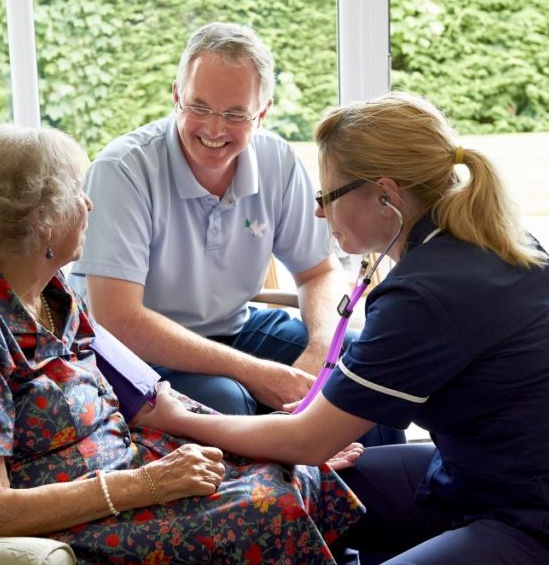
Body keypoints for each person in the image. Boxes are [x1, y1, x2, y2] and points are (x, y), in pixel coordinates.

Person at [151, 90, 549, 564]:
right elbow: (319, 438)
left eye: (328, 195)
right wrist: (317, 431)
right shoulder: (484, 243)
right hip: (503, 478)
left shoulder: (428, 292)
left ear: (385, 195)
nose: (320, 213)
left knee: (309, 474)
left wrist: (180, 418)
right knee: (310, 492)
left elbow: (308, 441)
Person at [0, 125, 364, 563]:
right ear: (43, 220)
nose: (89, 204)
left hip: (120, 464)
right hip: (58, 511)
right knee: (265, 506)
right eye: (77, 191)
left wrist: (279, 439)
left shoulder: (52, 290)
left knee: (294, 471)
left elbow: (154, 403)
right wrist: (147, 484)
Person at [71, 21, 362, 417]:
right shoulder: (122, 170)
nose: (214, 128)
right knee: (227, 399)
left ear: (263, 112)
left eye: (235, 114)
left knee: (356, 365)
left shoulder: (279, 161)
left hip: (233, 329)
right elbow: (118, 320)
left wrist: (319, 352)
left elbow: (319, 273)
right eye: (199, 107)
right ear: (176, 95)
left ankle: (369, 477)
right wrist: (256, 374)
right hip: (130, 352)